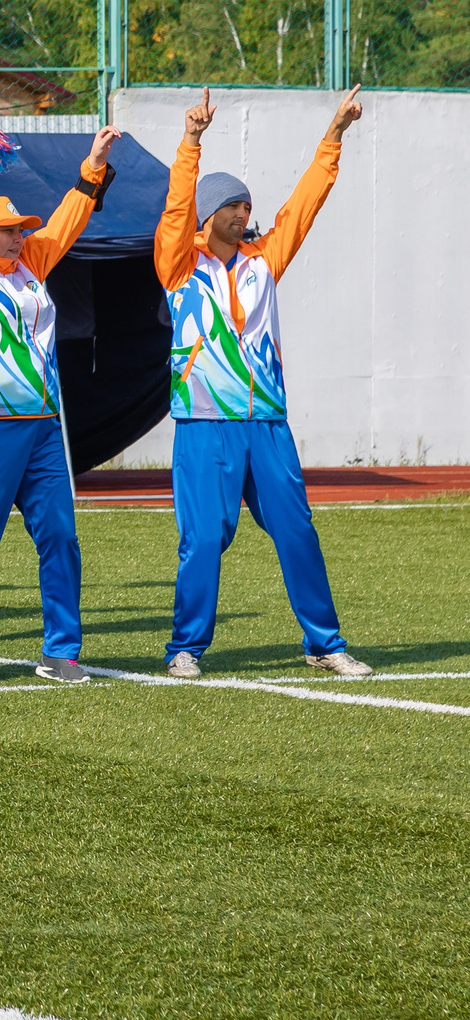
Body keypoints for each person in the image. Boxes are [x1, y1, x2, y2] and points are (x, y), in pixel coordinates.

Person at [156, 87, 372, 679]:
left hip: (268, 425)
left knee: (297, 531)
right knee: (203, 540)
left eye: (247, 206)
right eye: (232, 206)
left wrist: (334, 136)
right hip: (205, 426)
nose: (243, 213)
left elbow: (305, 204)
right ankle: (186, 647)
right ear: (209, 215)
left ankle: (324, 643)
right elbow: (175, 214)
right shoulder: (178, 265)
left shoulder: (264, 260)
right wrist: (191, 144)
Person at [0, 126, 119, 688]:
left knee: (60, 535)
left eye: (20, 231)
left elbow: (64, 224)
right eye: (7, 231)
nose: (18, 238)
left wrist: (91, 169)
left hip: (40, 426)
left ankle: (61, 649)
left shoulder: (31, 263)